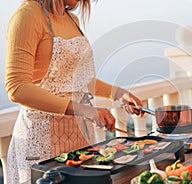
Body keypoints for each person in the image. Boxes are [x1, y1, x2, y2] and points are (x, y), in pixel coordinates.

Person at [5, 0, 143, 183]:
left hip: (79, 140)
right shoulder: (28, 15)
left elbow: (80, 79)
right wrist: (83, 110)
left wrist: (118, 93)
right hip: (41, 142)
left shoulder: (72, 20)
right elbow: (17, 87)